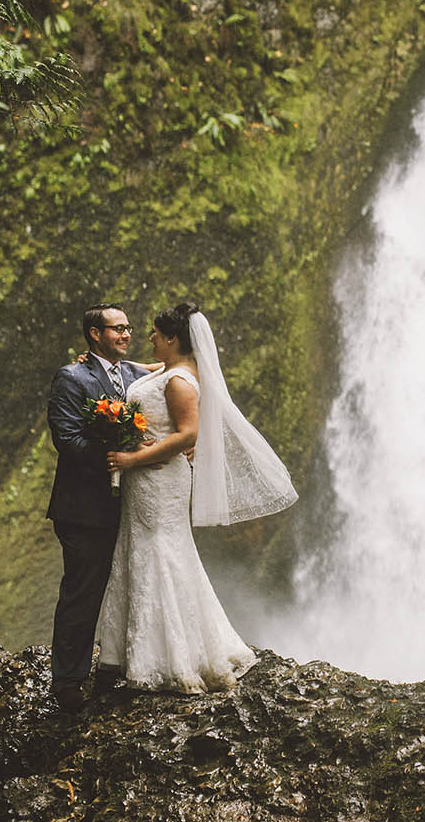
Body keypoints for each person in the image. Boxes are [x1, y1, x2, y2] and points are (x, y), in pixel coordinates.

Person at [96, 302, 299, 693]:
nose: (150, 338)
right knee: (148, 550)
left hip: (158, 479)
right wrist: (100, 363)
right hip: (149, 481)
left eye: (157, 334)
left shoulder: (178, 382)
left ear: (173, 339)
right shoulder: (173, 369)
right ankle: (137, 650)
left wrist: (131, 458)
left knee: (160, 552)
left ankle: (172, 658)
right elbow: (144, 371)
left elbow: (188, 434)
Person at [46, 303, 152, 712]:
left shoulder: (132, 375)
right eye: (117, 328)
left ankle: (116, 666)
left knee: (128, 586)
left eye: (128, 327)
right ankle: (68, 681)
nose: (126, 334)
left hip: (127, 505)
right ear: (95, 334)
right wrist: (118, 451)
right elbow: (67, 440)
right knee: (82, 593)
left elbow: (177, 369)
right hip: (83, 508)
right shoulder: (72, 378)